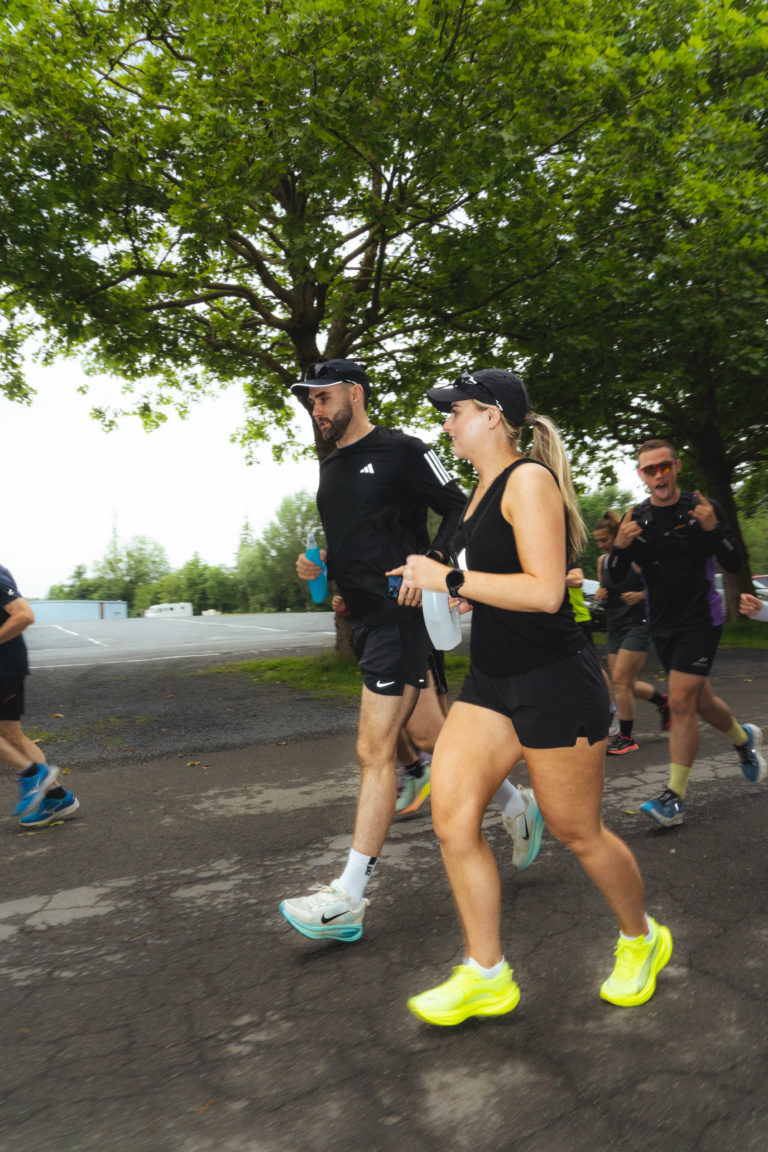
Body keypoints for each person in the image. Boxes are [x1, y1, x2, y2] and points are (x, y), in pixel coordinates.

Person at [397, 368, 671, 1026]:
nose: (446, 423)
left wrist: (451, 578)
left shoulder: (528, 481)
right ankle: (487, 974)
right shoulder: (475, 495)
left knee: (578, 831)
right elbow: (503, 581)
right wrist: (461, 592)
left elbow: (548, 592)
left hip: (554, 682)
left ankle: (642, 939)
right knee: (452, 820)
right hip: (491, 682)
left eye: (455, 411)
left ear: (492, 416)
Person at [279, 360, 543, 944]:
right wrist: (324, 570)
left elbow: (458, 506)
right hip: (367, 619)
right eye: (310, 401)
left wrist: (435, 564)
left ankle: (348, 897)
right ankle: (516, 805)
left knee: (374, 750)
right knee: (429, 735)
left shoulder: (402, 450)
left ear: (354, 393)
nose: (315, 409)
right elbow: (360, 538)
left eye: (323, 398)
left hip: (401, 617)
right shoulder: (331, 465)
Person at [605, 440, 765, 827]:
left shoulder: (702, 507)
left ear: (676, 466)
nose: (659, 474)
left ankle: (674, 798)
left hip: (702, 619)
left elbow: (734, 561)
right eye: (650, 470)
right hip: (661, 624)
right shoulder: (636, 517)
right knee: (701, 701)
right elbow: (616, 576)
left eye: (664, 466)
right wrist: (620, 547)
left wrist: (713, 529)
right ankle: (743, 739)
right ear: (642, 476)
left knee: (679, 701)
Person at [0, 563, 80, 827]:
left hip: (4, 668)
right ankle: (56, 797)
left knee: (11, 737)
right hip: (6, 666)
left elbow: (24, 615)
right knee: (12, 737)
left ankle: (31, 774)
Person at [593, 511, 670, 754]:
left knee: (620, 681)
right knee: (624, 684)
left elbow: (663, 585)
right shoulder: (602, 562)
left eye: (605, 540)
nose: (601, 545)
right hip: (614, 625)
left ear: (616, 536)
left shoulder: (636, 559)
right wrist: (600, 594)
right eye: (598, 541)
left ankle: (626, 738)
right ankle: (663, 702)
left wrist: (641, 595)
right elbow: (605, 589)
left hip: (639, 623)